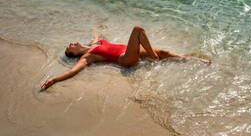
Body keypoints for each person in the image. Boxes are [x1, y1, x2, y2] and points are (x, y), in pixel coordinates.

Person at [41, 26, 211, 91]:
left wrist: (95, 26)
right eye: (69, 47)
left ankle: (193, 61)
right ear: (74, 54)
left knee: (164, 52)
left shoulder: (95, 43)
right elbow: (73, 71)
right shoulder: (88, 56)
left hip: (131, 51)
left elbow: (96, 34)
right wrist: (54, 79)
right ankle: (153, 57)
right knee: (138, 30)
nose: (71, 43)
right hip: (125, 59)